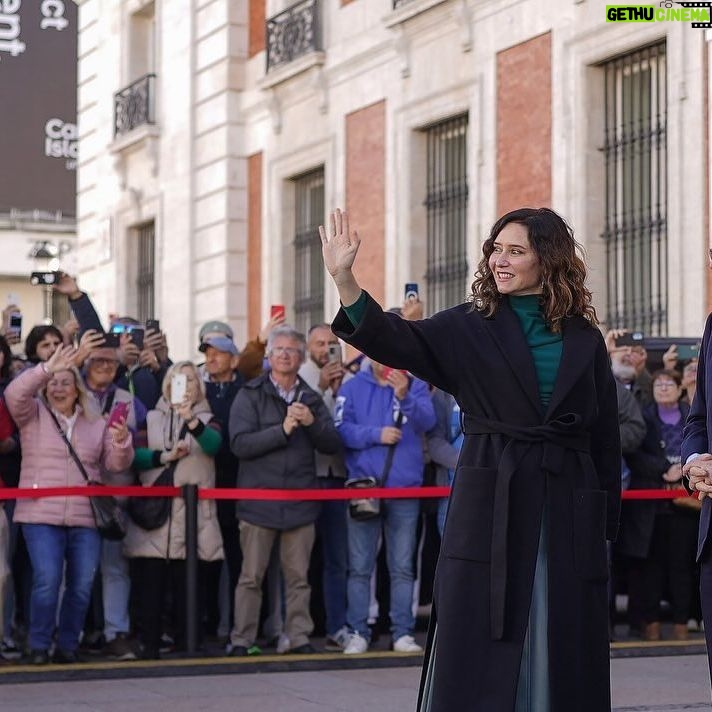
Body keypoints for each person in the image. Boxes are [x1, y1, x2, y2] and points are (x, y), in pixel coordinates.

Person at [320, 207, 621, 712]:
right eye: (496, 249)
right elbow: (397, 339)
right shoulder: (468, 325)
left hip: (567, 500)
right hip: (492, 496)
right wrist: (345, 278)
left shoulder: (584, 338)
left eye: (515, 251)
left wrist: (604, 521)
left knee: (560, 620)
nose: (500, 260)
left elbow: (604, 432)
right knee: (480, 623)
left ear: (547, 260)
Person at [4, 345, 133, 664]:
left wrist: (120, 439)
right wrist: (45, 369)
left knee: (81, 583)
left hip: (84, 515)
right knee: (47, 579)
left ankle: (67, 645)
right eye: (54, 382)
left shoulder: (96, 422)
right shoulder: (33, 414)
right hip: (39, 512)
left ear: (78, 389)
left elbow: (116, 465)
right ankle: (38, 644)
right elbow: (13, 393)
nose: (58, 387)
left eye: (66, 381)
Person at [228, 326, 341, 656]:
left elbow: (333, 443)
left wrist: (311, 423)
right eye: (280, 350)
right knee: (251, 578)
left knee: (298, 579)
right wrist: (283, 430)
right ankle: (241, 639)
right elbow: (239, 444)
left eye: (292, 351)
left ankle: (299, 636)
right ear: (269, 356)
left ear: (302, 357)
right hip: (258, 501)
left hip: (300, 501)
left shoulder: (310, 396)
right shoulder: (250, 393)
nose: (286, 356)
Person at [123, 361, 224, 659]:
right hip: (157, 512)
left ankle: (189, 640)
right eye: (180, 380)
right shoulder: (151, 418)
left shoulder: (207, 417)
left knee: (190, 583)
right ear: (168, 385)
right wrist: (165, 456)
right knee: (151, 584)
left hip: (196, 515)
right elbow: (134, 456)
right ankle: (149, 643)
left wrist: (190, 419)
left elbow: (214, 445)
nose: (186, 386)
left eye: (192, 381)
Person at [335, 359, 436, 654]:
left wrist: (404, 397)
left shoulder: (414, 384)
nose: (385, 362)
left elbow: (428, 423)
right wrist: (375, 434)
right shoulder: (351, 387)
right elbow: (340, 430)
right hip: (365, 488)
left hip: (404, 489)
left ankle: (402, 632)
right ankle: (358, 631)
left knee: (403, 567)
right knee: (360, 567)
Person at [298, 324, 351, 651]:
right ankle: (296, 627)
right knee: (298, 560)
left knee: (337, 558)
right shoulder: (301, 377)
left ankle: (336, 626)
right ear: (308, 347)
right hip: (307, 478)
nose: (326, 349)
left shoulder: (349, 381)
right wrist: (320, 390)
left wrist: (339, 389)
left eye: (332, 343)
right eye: (320, 343)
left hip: (339, 478)